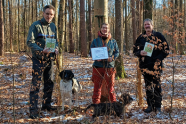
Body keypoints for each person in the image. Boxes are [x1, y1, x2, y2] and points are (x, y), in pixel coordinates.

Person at [27, 5, 58, 119]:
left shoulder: (53, 26)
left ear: (53, 16)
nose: (49, 16)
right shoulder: (35, 26)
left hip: (50, 59)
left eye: (51, 14)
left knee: (49, 82)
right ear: (43, 13)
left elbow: (56, 41)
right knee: (36, 85)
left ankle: (46, 104)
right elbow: (30, 42)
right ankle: (33, 110)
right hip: (38, 60)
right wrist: (41, 50)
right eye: (47, 13)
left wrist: (56, 49)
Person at [133, 18, 169, 113]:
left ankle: (158, 107)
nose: (147, 26)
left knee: (157, 86)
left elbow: (166, 50)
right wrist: (140, 52)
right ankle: (150, 106)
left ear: (152, 25)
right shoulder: (141, 38)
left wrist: (158, 58)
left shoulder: (159, 36)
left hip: (156, 67)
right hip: (145, 67)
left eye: (148, 24)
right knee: (148, 87)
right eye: (145, 25)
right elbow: (134, 51)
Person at [90, 23, 119, 104]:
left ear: (109, 29)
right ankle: (96, 106)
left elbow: (117, 52)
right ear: (100, 29)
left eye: (106, 28)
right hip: (97, 67)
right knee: (97, 88)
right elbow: (91, 52)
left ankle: (113, 105)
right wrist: (96, 58)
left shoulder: (113, 41)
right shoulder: (95, 41)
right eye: (103, 28)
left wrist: (112, 58)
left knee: (110, 89)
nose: (104, 29)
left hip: (110, 67)